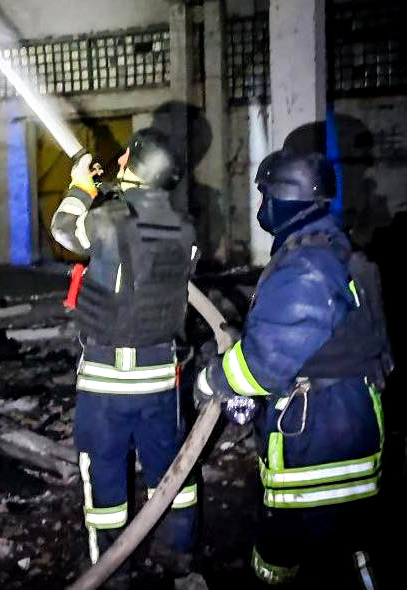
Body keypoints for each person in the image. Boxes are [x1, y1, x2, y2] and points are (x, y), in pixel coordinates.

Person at [194, 149, 392, 588]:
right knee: (354, 545)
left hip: (317, 443)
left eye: (265, 195)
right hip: (350, 422)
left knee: (283, 556)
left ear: (285, 199)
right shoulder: (330, 248)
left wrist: (212, 379)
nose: (262, 205)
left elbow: (263, 366)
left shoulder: (307, 266)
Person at [51, 128, 199, 587]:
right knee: (170, 470)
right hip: (162, 376)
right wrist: (109, 191)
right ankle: (179, 552)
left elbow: (63, 230)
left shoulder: (109, 218)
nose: (117, 161)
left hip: (107, 380)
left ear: (131, 161)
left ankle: (111, 572)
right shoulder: (183, 226)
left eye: (124, 157)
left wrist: (81, 186)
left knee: (106, 477)